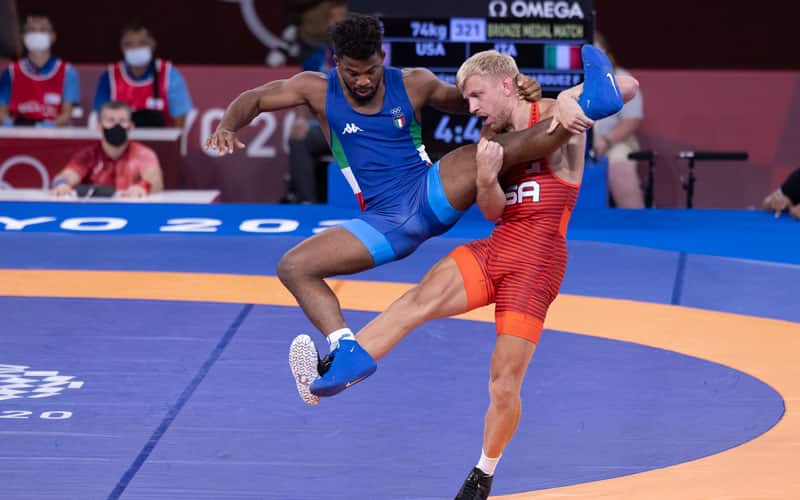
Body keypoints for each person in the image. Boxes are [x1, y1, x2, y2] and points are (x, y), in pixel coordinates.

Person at [204, 14, 624, 404]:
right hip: (384, 222)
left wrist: (518, 85)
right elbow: (255, 98)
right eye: (353, 73)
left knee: (482, 152)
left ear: (382, 57)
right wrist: (228, 124)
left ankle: (589, 108)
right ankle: (344, 349)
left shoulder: (414, 82)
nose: (364, 80)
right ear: (336, 64)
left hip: (428, 192)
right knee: (293, 266)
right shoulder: (315, 88)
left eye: (371, 70)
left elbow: (470, 99)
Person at [293, 49, 639, 500]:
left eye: (476, 96)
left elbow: (627, 88)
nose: (471, 108)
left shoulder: (555, 111)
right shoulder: (490, 134)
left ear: (505, 85)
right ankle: (335, 368)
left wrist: (577, 100)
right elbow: (494, 211)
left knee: (503, 382)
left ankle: (483, 472)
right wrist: (488, 176)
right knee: (416, 301)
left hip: (538, 262)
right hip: (500, 245)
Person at [285, 0, 348, 203]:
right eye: (333, 18)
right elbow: (301, 95)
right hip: (326, 127)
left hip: (358, 126)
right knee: (299, 139)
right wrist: (301, 120)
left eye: (342, 18)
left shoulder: (363, 56)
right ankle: (307, 202)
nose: (337, 23)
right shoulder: (316, 58)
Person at [50, 100, 163, 198]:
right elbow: (67, 175)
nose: (116, 126)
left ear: (131, 126)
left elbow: (155, 180)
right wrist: (61, 184)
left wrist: (142, 187)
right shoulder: (88, 154)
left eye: (122, 121)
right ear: (99, 126)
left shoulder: (143, 153)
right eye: (111, 120)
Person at [92, 22, 192, 128]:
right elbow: (101, 121)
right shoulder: (110, 77)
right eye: (129, 44)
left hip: (158, 142)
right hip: (119, 142)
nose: (136, 48)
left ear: (153, 45)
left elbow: (178, 127)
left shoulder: (169, 75)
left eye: (142, 43)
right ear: (122, 47)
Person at [592, 32, 644, 208]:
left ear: (605, 52)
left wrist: (606, 141)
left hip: (614, 142)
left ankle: (635, 220)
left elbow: (632, 119)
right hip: (573, 143)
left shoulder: (621, 77)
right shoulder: (571, 78)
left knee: (618, 161)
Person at [0, 14, 80, 127]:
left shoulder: (68, 72)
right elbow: (1, 112)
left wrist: (43, 127)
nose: (37, 34)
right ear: (23, 37)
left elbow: (67, 114)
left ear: (53, 36)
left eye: (43, 30)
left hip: (54, 135)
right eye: (31, 30)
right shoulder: (10, 72)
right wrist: (13, 125)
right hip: (18, 133)